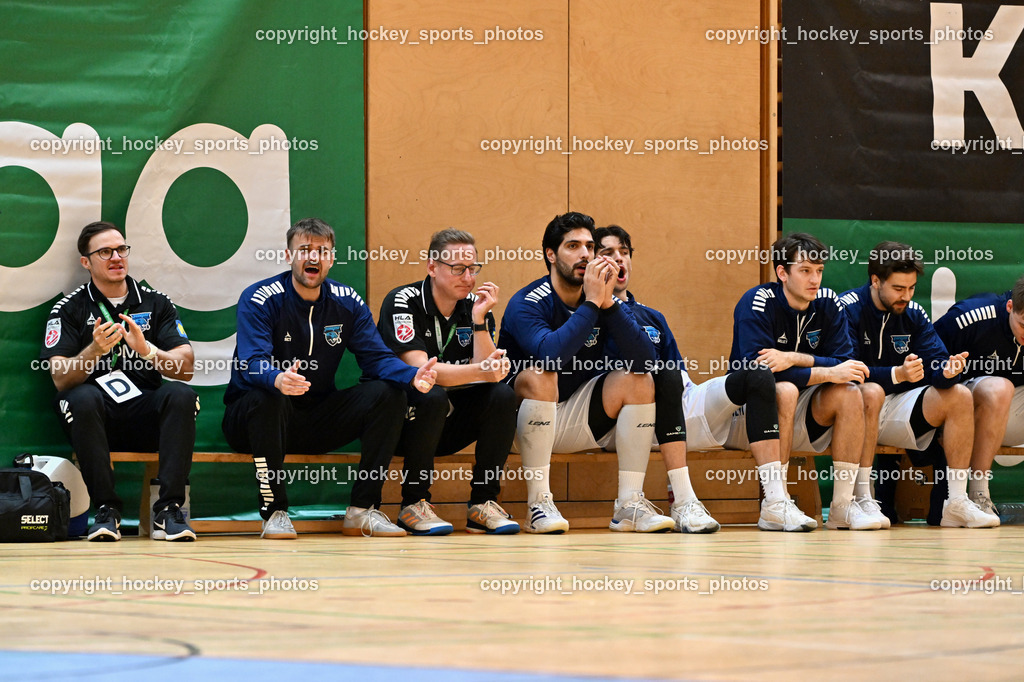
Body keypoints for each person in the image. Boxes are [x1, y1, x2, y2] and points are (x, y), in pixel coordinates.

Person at [222, 217, 437, 539]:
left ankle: (362, 510)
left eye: (322, 251)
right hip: (252, 421)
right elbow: (251, 363)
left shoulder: (346, 301)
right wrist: (277, 378)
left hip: (314, 419)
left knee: (388, 393)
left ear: (332, 258)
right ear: (288, 256)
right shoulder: (260, 298)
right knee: (268, 397)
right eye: (304, 249)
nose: (313, 258)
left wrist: (411, 375)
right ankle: (274, 512)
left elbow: (376, 357)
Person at [596, 225, 787, 533]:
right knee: (665, 376)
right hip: (633, 422)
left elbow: (680, 375)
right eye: (607, 253)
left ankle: (776, 503)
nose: (619, 260)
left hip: (680, 406)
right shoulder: (589, 314)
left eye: (625, 253)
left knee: (757, 374)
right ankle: (684, 502)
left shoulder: (653, 316)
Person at [499, 211, 668, 534]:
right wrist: (591, 304)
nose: (585, 255)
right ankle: (539, 504)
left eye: (590, 246)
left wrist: (609, 306)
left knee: (639, 380)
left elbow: (647, 361)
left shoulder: (603, 300)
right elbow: (551, 356)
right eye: (572, 246)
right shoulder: (528, 302)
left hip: (576, 418)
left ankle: (628, 504)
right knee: (540, 375)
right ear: (551, 254)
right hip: (520, 427)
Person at [40, 221, 198, 542]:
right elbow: (60, 378)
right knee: (80, 397)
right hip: (96, 417)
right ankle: (106, 510)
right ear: (86, 262)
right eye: (105, 252)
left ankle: (169, 511)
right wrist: (95, 349)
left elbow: (186, 367)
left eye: (121, 249)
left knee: (181, 395)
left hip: (145, 415)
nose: (116, 257)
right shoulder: (69, 308)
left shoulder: (156, 303)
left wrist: (148, 350)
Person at [840, 242, 997, 528]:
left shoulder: (913, 313)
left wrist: (948, 370)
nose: (907, 296)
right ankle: (861, 498)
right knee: (868, 391)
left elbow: (936, 361)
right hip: (855, 408)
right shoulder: (847, 309)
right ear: (875, 281)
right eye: (899, 289)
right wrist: (896, 374)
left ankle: (957, 501)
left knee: (959, 395)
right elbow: (845, 372)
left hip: (897, 408)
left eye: (911, 288)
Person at [730, 232, 878, 530]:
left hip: (805, 406)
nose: (815, 280)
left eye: (819, 271)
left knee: (851, 392)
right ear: (782, 273)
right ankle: (776, 501)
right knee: (783, 390)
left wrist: (795, 358)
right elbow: (756, 371)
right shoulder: (758, 300)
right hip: (749, 410)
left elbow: (845, 364)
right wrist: (826, 371)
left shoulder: (827, 302)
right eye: (805, 271)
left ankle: (842, 507)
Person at [377, 228, 518, 535]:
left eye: (473, 269)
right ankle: (413, 503)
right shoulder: (402, 301)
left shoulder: (473, 305)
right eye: (458, 269)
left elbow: (489, 374)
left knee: (503, 395)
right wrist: (481, 370)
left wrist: (480, 320)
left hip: (448, 426)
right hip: (402, 424)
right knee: (432, 394)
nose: (468, 278)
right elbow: (421, 372)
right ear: (432, 267)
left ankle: (483, 503)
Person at [934, 273, 1024, 520]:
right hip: (962, 407)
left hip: (1007, 415)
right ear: (1009, 307)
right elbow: (928, 358)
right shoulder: (970, 317)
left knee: (1003, 389)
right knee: (1000, 388)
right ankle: (978, 494)